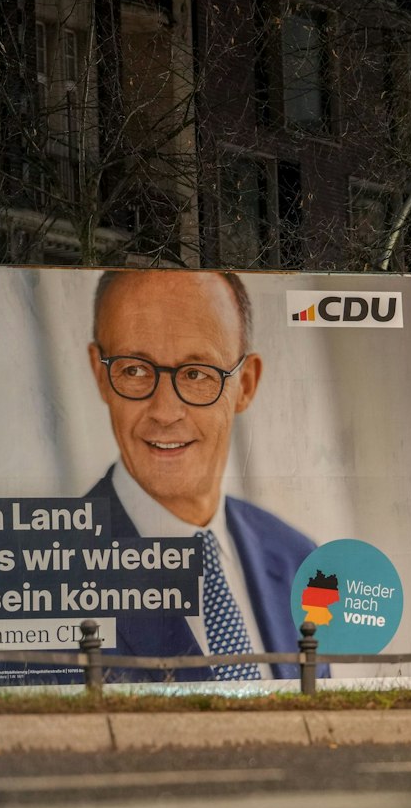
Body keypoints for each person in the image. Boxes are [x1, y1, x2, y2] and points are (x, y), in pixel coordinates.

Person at [81, 269, 315, 682]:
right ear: (101, 376)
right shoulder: (23, 587)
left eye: (197, 374)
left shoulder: (301, 561)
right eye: (135, 370)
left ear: (246, 384)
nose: (166, 412)